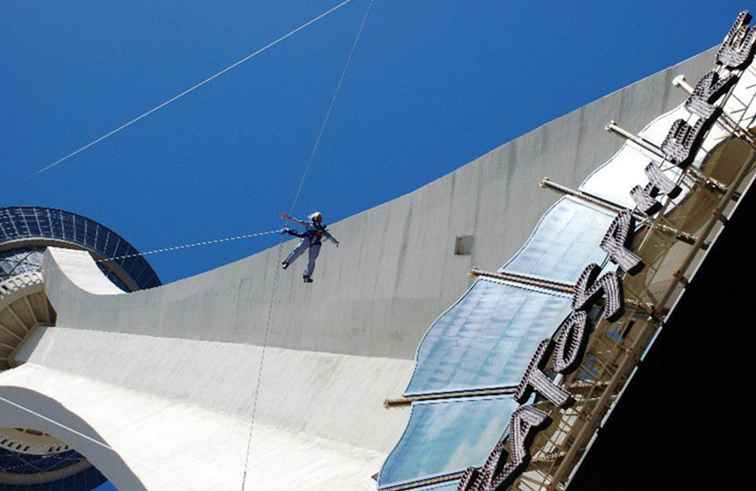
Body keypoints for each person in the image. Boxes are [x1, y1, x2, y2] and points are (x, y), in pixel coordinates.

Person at [280, 211, 339, 283]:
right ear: (314, 218)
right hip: (307, 239)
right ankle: (287, 262)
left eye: (320, 218)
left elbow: (329, 236)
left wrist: (335, 242)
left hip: (316, 243)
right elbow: (298, 221)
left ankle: (307, 276)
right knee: (299, 249)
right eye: (318, 218)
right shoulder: (309, 224)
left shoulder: (322, 228)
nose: (319, 219)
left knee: (312, 259)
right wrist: (288, 218)